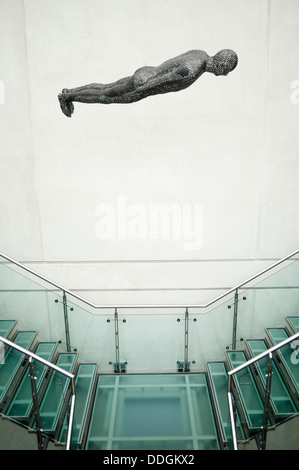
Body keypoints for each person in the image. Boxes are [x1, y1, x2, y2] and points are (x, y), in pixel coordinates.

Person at [58, 49, 238, 117]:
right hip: (144, 82)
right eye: (227, 70)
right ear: (222, 64)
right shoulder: (192, 70)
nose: (225, 74)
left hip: (146, 72)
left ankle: (70, 91)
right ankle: (67, 97)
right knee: (107, 96)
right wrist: (139, 91)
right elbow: (164, 79)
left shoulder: (200, 53)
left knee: (106, 87)